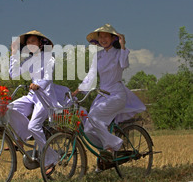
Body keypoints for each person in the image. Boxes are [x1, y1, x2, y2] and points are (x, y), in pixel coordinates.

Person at [73, 24, 146, 163]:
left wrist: (123, 45)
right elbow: (91, 75)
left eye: (106, 36)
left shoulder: (120, 53)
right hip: (102, 97)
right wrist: (79, 90)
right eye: (100, 37)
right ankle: (107, 157)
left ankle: (113, 144)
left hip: (116, 95)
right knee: (88, 129)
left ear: (113, 38)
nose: (103, 39)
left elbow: (124, 65)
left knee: (94, 117)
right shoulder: (98, 56)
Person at [8, 30, 69, 172]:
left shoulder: (48, 58)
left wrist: (38, 85)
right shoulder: (29, 60)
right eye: (28, 43)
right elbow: (13, 74)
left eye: (33, 41)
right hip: (32, 95)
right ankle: (20, 139)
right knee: (9, 108)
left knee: (34, 126)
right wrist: (14, 53)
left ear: (41, 44)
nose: (30, 44)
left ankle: (50, 159)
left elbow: (47, 78)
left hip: (45, 97)